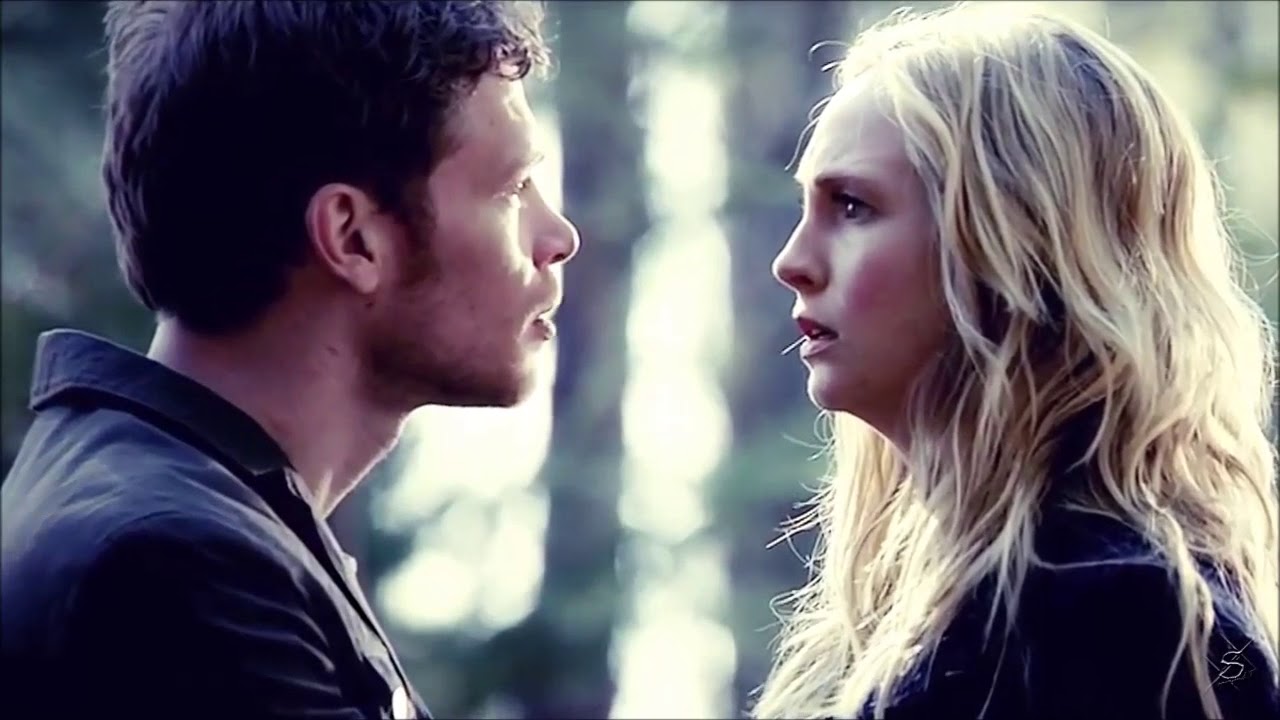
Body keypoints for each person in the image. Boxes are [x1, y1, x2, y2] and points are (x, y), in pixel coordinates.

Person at [0, 1, 578, 718]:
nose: (558, 237)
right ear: (353, 238)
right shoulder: (183, 575)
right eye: (513, 189)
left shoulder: (181, 512)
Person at [760, 3, 1278, 719]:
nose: (791, 262)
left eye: (851, 206)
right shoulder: (894, 629)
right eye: (806, 208)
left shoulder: (1124, 623)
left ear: (1020, 242)